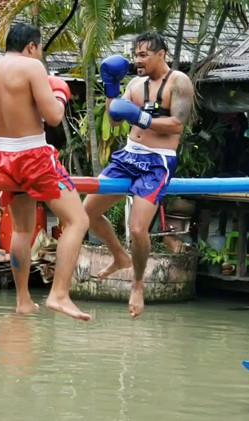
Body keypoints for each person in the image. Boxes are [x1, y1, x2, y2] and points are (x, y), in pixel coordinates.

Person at [0, 22, 91, 321]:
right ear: (32, 47)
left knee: (23, 230)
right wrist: (61, 93)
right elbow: (54, 117)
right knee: (78, 220)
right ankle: (59, 294)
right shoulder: (32, 67)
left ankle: (24, 301)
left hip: (3, 156)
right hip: (34, 156)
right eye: (39, 50)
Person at [83, 32, 195, 318]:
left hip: (158, 162)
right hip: (128, 157)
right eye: (136, 54)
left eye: (144, 54)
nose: (138, 60)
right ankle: (120, 256)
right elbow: (115, 117)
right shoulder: (134, 84)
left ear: (162, 54)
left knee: (136, 229)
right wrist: (110, 89)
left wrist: (142, 118)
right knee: (87, 213)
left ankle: (137, 284)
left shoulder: (179, 82)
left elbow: (177, 125)